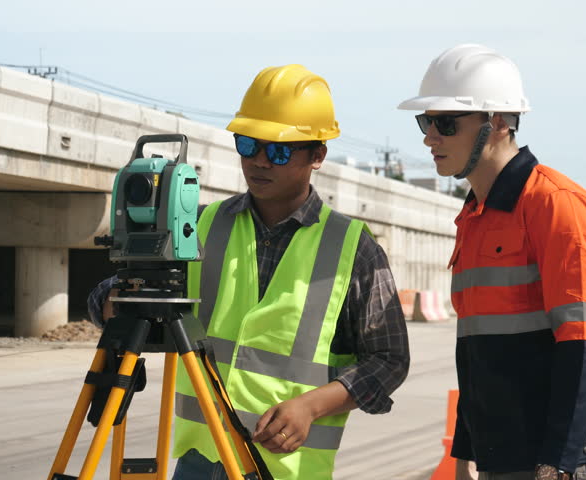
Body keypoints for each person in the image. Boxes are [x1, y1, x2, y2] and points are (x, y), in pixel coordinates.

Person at [88, 64, 409, 480]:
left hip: (289, 469)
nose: (259, 161)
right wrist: (120, 302)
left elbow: (389, 360)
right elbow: (106, 299)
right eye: (248, 144)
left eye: (278, 150)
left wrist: (311, 407)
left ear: (318, 155)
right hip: (200, 462)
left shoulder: (353, 248)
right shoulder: (200, 226)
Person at [398, 44, 586, 480]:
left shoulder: (558, 206)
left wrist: (558, 463)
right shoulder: (475, 215)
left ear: (496, 123)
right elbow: (478, 350)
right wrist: (464, 451)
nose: (429, 137)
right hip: (496, 459)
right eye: (426, 122)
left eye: (445, 123)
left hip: (545, 463)